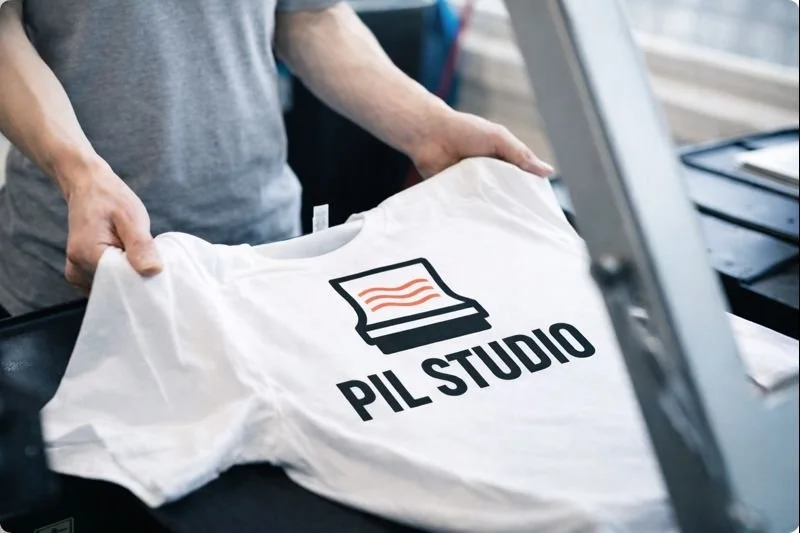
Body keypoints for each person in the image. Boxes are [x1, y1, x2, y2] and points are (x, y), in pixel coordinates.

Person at [0, 0, 553, 318]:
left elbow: (308, 15)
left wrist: (431, 129)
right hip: (86, 272)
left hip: (264, 255)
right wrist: (79, 173)